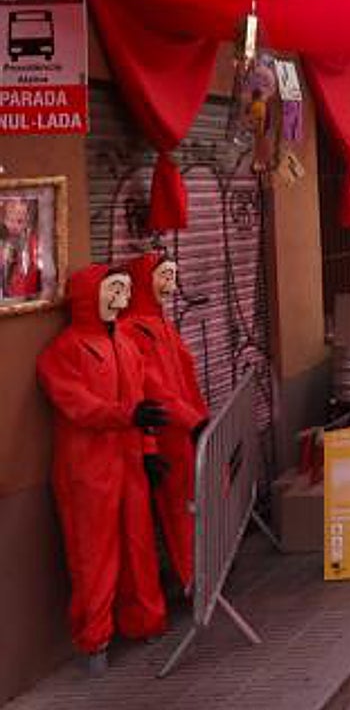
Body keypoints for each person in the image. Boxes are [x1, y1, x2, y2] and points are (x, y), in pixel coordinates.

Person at [36, 265, 169, 669]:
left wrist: (148, 449)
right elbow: (79, 406)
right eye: (113, 289)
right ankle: (95, 639)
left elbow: (142, 400)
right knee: (94, 555)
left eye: (126, 290)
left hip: (127, 459)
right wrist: (128, 416)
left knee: (139, 544)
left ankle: (145, 620)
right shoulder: (63, 352)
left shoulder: (127, 344)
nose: (122, 299)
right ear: (88, 296)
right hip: (89, 469)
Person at [124, 252, 209, 591]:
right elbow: (153, 387)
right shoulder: (134, 330)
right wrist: (192, 421)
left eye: (173, 274)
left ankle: (203, 570)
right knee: (180, 506)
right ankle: (194, 577)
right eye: (163, 275)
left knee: (195, 501)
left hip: (187, 426)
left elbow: (184, 379)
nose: (170, 283)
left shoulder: (161, 324)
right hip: (168, 431)